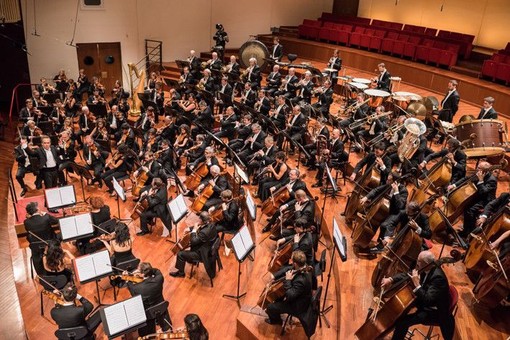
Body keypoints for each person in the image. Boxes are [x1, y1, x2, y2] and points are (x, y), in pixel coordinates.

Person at [381, 251, 455, 340]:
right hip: (424, 301)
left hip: (433, 311)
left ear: (427, 264)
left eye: (419, 261)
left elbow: (428, 300)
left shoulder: (438, 278)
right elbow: (407, 274)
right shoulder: (425, 268)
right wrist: (390, 279)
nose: (417, 262)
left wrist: (417, 284)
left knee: (402, 322)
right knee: (399, 313)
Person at [447, 161, 497, 239]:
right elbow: (466, 179)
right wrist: (454, 185)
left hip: (485, 201)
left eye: (479, 168)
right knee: (465, 205)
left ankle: (468, 232)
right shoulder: (478, 172)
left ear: (485, 171)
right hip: (476, 196)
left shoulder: (492, 180)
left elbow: (483, 192)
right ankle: (466, 228)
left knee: (470, 210)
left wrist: (481, 180)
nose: (477, 168)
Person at [265, 250, 313, 325]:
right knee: (278, 296)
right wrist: (274, 276)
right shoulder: (304, 266)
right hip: (298, 295)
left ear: (295, 263)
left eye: (292, 260)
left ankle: (276, 321)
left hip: (297, 305)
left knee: (270, 307)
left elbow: (290, 295)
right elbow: (289, 268)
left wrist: (288, 280)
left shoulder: (301, 281)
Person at [126, 262, 172, 336]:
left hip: (148, 312)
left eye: (138, 270)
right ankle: (166, 328)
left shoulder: (137, 288)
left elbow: (130, 287)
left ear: (143, 274)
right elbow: (157, 270)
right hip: (160, 306)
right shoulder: (159, 278)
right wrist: (149, 270)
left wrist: (127, 278)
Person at [170, 212, 217, 279]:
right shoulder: (211, 224)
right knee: (189, 247)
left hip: (202, 254)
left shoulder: (204, 232)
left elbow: (193, 241)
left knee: (180, 254)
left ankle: (181, 273)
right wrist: (189, 229)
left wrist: (194, 229)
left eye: (199, 218)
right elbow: (201, 227)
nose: (198, 219)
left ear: (201, 220)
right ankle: (191, 260)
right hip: (208, 248)